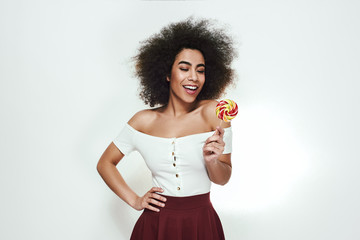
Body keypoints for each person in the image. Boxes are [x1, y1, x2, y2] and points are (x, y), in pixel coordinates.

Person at [97, 17, 237, 240]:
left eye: (200, 70)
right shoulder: (143, 121)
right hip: (156, 224)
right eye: (184, 68)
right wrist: (135, 200)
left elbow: (222, 178)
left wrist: (212, 161)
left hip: (201, 222)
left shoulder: (215, 113)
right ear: (166, 73)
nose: (193, 77)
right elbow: (105, 163)